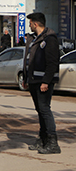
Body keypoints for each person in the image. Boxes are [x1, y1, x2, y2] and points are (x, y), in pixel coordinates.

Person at [23, 12, 61, 154]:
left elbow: (52, 63)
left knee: (45, 110)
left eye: (30, 23)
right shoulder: (34, 39)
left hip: (43, 82)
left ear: (35, 24)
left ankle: (52, 143)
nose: (29, 26)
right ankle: (43, 139)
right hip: (34, 80)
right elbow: (29, 60)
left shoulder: (49, 39)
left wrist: (46, 81)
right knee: (40, 110)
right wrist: (26, 78)